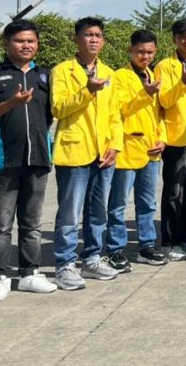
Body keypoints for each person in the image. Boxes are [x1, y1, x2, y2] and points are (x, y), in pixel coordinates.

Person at [0, 20, 57, 301]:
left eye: (31, 41)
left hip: (38, 159)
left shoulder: (45, 75)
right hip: (3, 162)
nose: (26, 45)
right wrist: (12, 103)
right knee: (1, 223)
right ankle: (0, 276)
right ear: (7, 43)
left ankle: (30, 274)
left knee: (32, 223)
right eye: (20, 40)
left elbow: (54, 112)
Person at [51, 17, 124, 290]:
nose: (93, 39)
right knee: (70, 213)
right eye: (88, 34)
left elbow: (115, 115)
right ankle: (64, 264)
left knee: (98, 211)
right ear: (76, 39)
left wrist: (115, 145)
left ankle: (92, 258)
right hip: (75, 151)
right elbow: (58, 108)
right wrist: (87, 91)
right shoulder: (62, 71)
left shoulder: (109, 73)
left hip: (103, 153)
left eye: (98, 35)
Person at [105, 30, 168, 273]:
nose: (145, 56)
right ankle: (115, 248)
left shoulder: (153, 75)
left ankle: (147, 245)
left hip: (151, 149)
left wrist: (162, 138)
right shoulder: (119, 76)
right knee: (118, 203)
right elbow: (120, 109)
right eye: (140, 52)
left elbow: (159, 113)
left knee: (147, 203)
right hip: (127, 148)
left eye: (150, 52)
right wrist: (145, 94)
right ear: (130, 50)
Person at [156, 18, 186, 261]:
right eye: (182, 36)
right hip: (177, 138)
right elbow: (163, 101)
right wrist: (183, 82)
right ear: (174, 40)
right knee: (174, 192)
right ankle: (170, 241)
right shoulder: (165, 66)